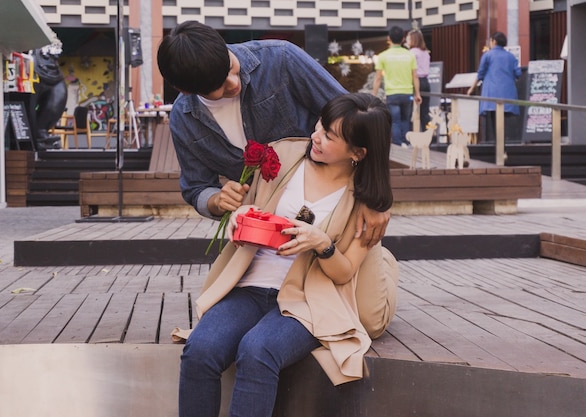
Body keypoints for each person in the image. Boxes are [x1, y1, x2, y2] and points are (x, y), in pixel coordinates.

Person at [176, 92, 399, 417]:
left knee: (257, 350)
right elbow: (247, 210)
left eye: (329, 136)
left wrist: (321, 243)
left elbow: (344, 271)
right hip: (248, 288)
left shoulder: (366, 200)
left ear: (358, 152)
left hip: (305, 302)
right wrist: (240, 216)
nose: (316, 137)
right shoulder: (285, 154)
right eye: (319, 126)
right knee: (201, 350)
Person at [156, 21, 390, 247]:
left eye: (230, 67)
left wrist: (375, 199)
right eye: (220, 86)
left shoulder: (281, 59)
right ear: (185, 90)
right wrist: (217, 200)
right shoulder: (183, 119)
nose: (234, 83)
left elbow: (360, 124)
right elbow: (196, 187)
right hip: (262, 239)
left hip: (330, 218)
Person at [467, 31, 522, 143]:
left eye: (490, 41)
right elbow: (518, 74)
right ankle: (504, 145)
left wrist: (471, 89)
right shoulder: (511, 57)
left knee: (493, 117)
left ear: (494, 41)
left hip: (491, 92)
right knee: (505, 118)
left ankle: (498, 145)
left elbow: (480, 74)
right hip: (508, 92)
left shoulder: (488, 55)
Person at [372, 26, 422, 147]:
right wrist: (417, 93)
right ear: (403, 38)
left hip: (392, 93)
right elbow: (415, 76)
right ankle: (406, 142)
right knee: (406, 119)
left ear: (388, 38)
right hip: (407, 93)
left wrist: (373, 95)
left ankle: (397, 145)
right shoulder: (410, 55)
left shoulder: (383, 56)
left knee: (395, 121)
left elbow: (378, 77)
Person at [407, 30, 432, 135]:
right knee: (425, 111)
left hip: (416, 81)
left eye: (408, 39)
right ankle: (429, 133)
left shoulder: (412, 52)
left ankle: (411, 135)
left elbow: (411, 70)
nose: (407, 41)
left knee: (411, 111)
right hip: (426, 82)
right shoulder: (425, 52)